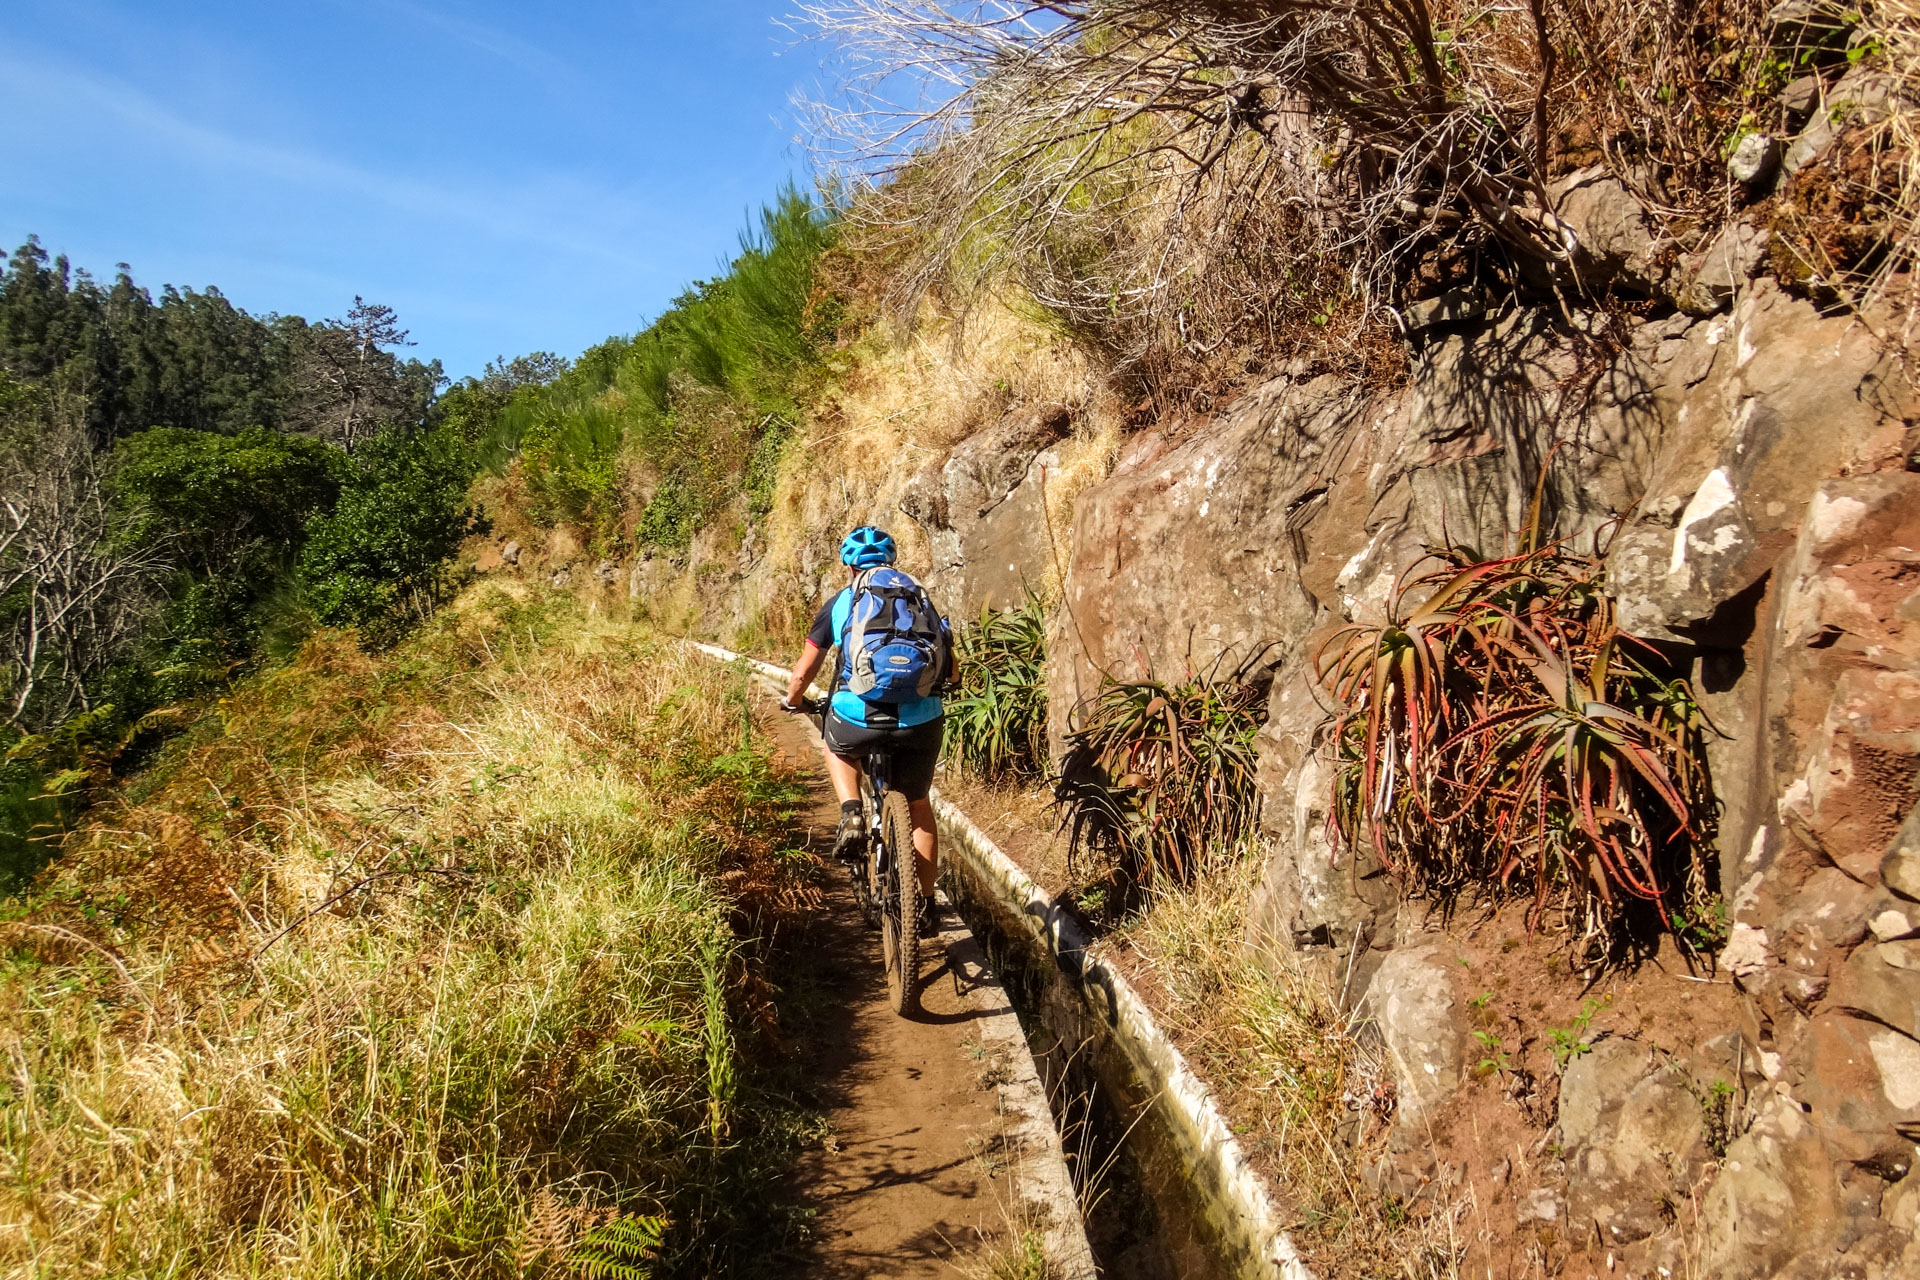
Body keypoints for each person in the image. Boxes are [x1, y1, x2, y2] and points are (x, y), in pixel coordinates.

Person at [781, 526, 953, 937]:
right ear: (890, 560)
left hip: (858, 716)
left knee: (835, 746)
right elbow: (950, 663)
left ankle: (851, 812)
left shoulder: (842, 602)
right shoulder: (918, 596)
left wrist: (794, 700)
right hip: (920, 720)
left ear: (847, 564)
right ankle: (926, 905)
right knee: (918, 808)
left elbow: (806, 669)